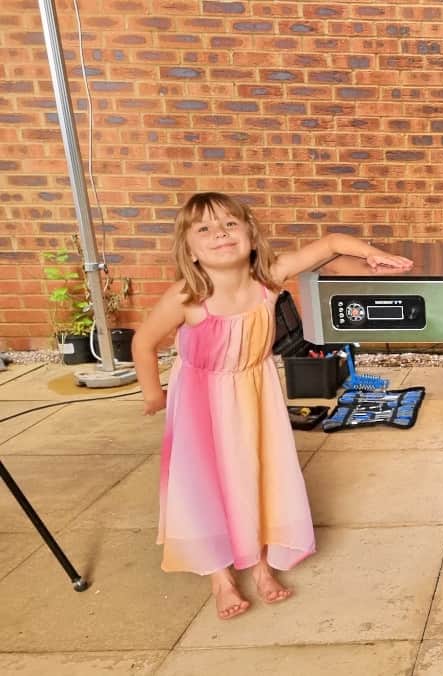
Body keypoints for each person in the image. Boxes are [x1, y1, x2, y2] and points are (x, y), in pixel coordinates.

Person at [131, 192, 413, 620]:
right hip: (200, 406)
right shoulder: (186, 298)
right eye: (204, 229)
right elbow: (144, 342)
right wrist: (153, 393)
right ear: (188, 247)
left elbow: (331, 244)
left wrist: (374, 255)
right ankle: (220, 574)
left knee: (256, 476)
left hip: (255, 397)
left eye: (230, 224)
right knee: (204, 484)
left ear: (250, 233)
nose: (220, 235)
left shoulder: (268, 280)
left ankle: (260, 563)